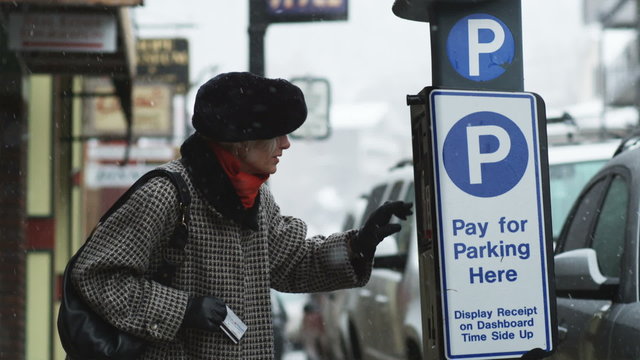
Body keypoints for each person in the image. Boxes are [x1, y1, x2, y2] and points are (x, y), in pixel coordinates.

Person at [71, 71, 413, 359]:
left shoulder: (257, 196)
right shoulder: (165, 195)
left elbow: (290, 263)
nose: (286, 144)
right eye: (276, 134)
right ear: (241, 140)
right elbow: (96, 277)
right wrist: (183, 310)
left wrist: (357, 245)